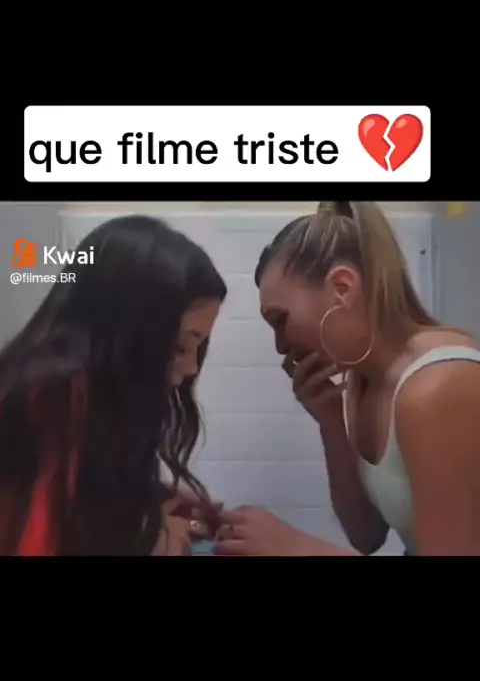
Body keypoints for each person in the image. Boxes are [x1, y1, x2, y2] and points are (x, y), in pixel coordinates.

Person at [213, 201, 480, 556]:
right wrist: (331, 423)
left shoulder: (438, 387)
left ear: (342, 287)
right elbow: (366, 535)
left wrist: (296, 548)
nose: (281, 346)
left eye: (280, 320)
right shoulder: (363, 381)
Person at [0, 215, 226, 555]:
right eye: (179, 346)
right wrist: (150, 541)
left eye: (200, 347)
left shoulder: (86, 392)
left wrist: (150, 497)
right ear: (127, 332)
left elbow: (80, 491)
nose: (192, 367)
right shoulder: (51, 401)